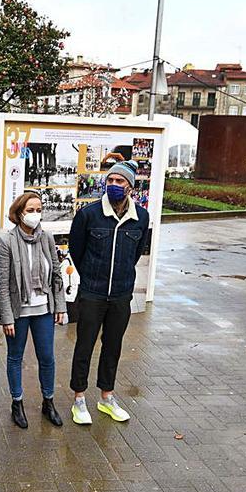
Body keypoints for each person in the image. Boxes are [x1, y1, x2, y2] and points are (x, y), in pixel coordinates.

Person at [67, 161, 148, 425]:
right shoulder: (89, 215)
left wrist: (121, 278)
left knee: (112, 347)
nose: (113, 185)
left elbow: (136, 254)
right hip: (92, 292)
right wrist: (92, 276)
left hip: (122, 295)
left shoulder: (141, 218)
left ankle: (107, 397)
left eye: (119, 182)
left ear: (130, 187)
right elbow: (77, 251)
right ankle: (79, 399)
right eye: (110, 180)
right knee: (84, 346)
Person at [0, 191, 67, 429]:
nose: (35, 215)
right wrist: (5, 317)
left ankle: (49, 402)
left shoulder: (46, 237)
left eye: (39, 210)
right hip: (18, 311)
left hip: (44, 309)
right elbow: (2, 282)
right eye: (30, 210)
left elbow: (56, 273)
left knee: (47, 357)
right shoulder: (6, 241)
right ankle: (17, 402)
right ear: (19, 213)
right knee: (15, 357)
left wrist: (60, 306)